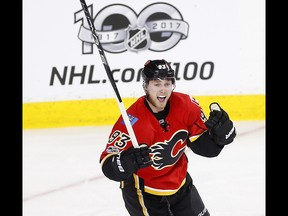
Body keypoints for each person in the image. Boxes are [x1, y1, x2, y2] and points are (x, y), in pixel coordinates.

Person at [99, 59, 236, 216]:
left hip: (181, 184)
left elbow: (205, 149)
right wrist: (125, 162)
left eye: (167, 83)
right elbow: (107, 163)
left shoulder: (187, 105)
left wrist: (220, 138)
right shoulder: (132, 121)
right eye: (157, 84)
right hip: (145, 194)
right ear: (146, 86)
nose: (163, 90)